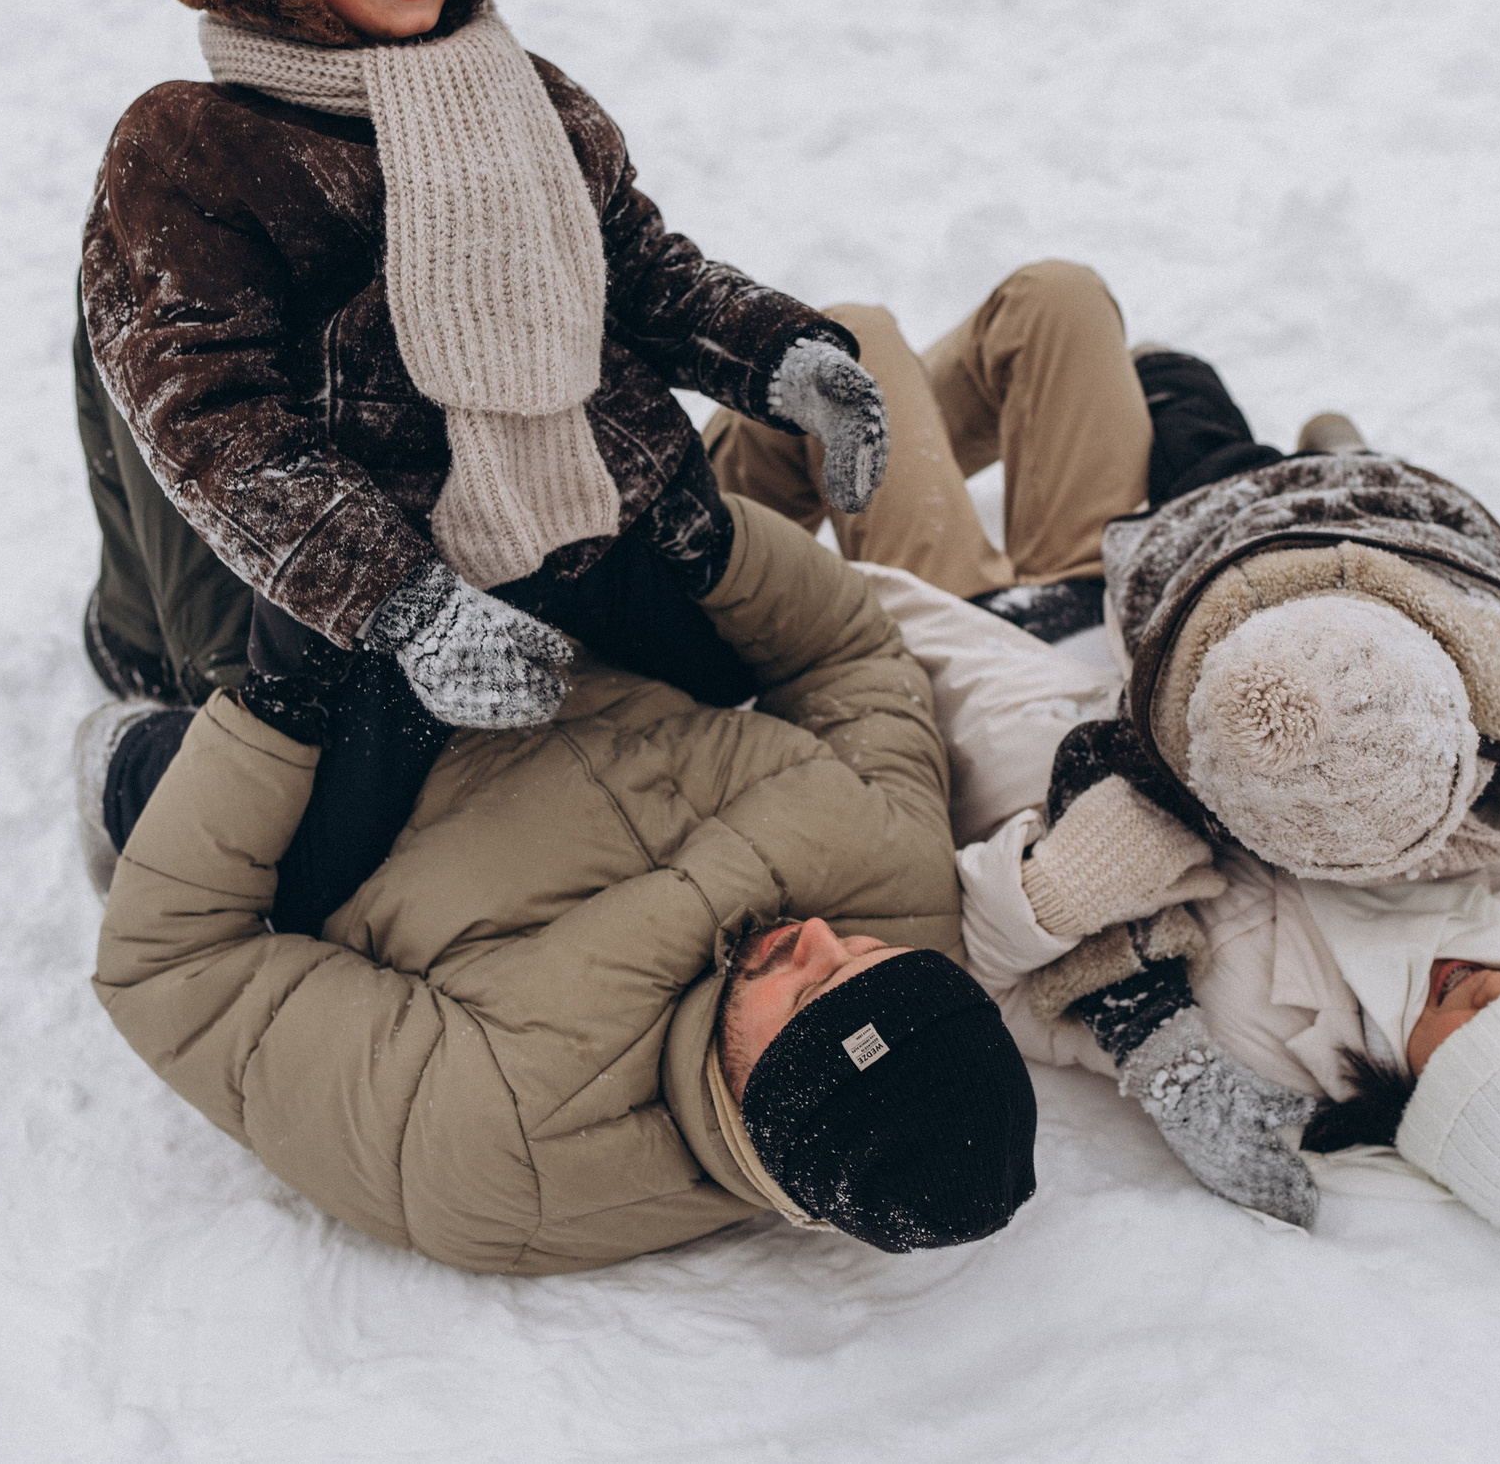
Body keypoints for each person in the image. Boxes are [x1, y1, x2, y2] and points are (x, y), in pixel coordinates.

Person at [705, 264, 1500, 1252]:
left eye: (1467, 1026)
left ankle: (666, 528)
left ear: (1428, 1102)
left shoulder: (1260, 1037)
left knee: (848, 345)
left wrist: (1062, 903)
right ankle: (828, 457)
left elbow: (1000, 981)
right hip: (1142, 596)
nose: (1484, 985)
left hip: (990, 658)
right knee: (1056, 299)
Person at [75, 0, 888, 932]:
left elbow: (641, 272)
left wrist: (783, 357)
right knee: (306, 892)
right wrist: (404, 602)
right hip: (387, 583)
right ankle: (137, 756)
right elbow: (209, 418)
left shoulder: (529, 93)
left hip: (600, 520)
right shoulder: (201, 144)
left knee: (730, 714)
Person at [89, 494, 1038, 1274]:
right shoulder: (901, 886)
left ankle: (142, 659)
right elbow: (850, 661)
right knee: (478, 422)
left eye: (812, 990)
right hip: (572, 639)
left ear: (766, 1106)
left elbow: (176, 967)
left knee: (179, 371)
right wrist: (717, 545)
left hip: (361, 773)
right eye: (867, 954)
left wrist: (277, 714)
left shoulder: (505, 1144)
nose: (820, 935)